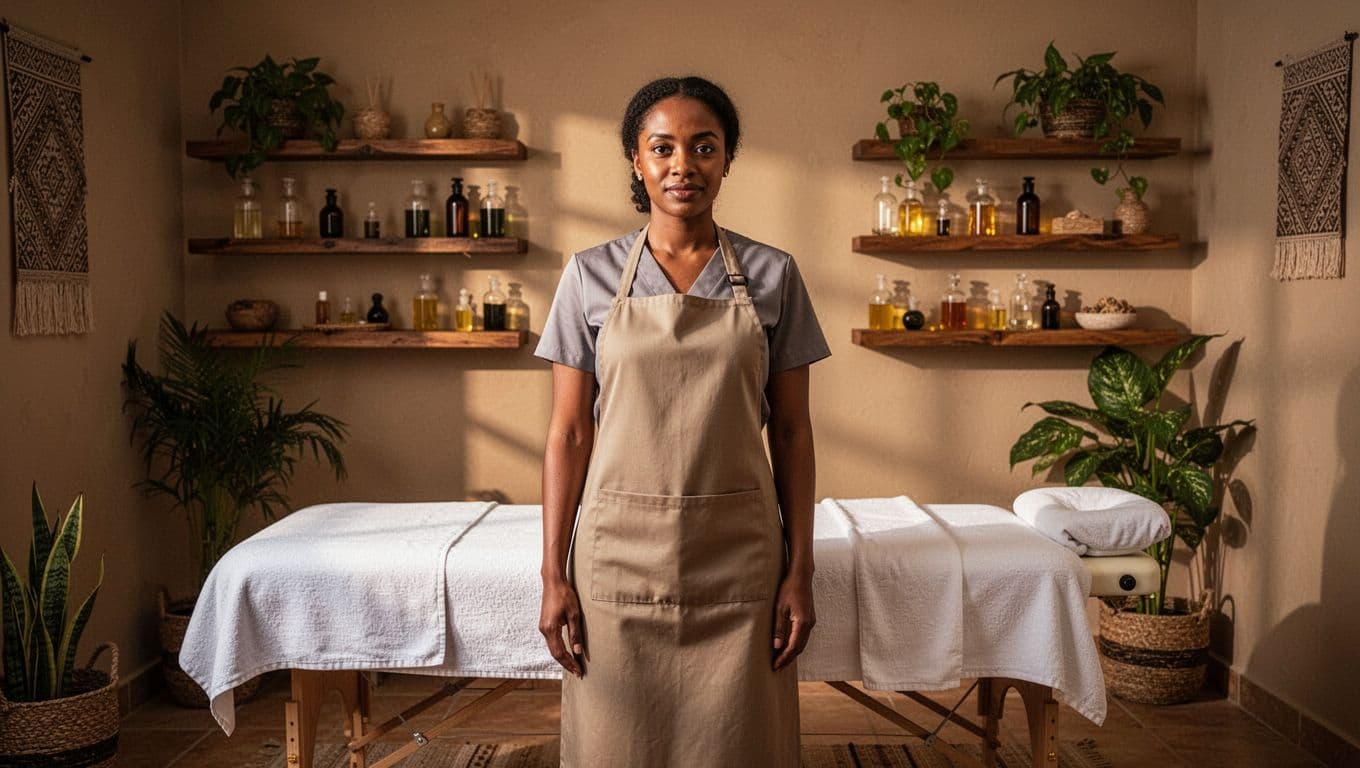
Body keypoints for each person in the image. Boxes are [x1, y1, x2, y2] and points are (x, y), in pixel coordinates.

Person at [535, 75, 830, 767]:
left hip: (739, 553)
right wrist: (552, 573)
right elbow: (570, 433)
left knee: (741, 742)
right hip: (616, 555)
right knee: (618, 743)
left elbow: (791, 433)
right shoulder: (589, 275)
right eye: (662, 147)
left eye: (704, 146)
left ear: (726, 160)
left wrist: (801, 570)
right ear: (636, 161)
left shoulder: (773, 274)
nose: (683, 165)